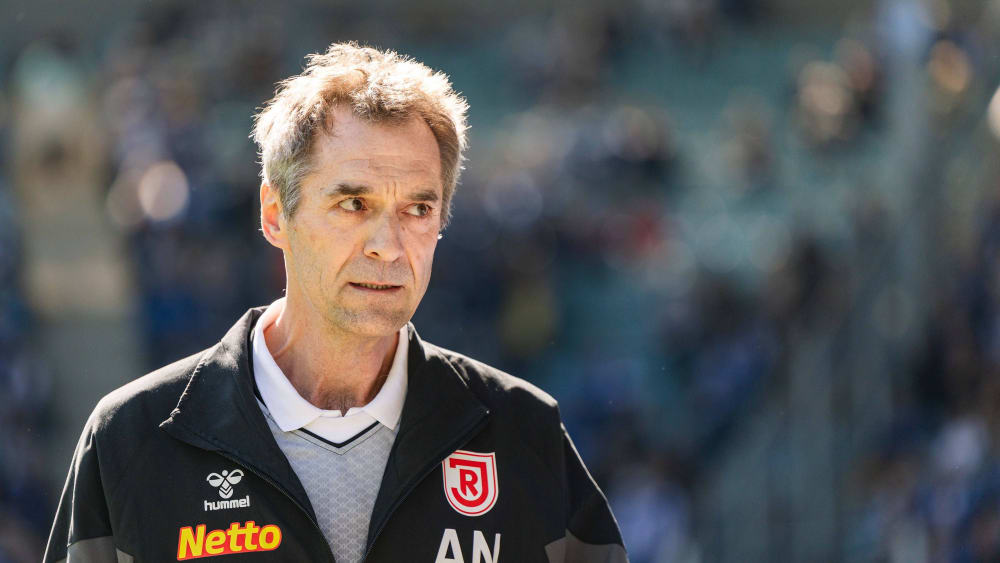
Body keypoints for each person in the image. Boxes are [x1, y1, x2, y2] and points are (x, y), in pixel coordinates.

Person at [44, 42, 626, 563]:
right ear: (275, 214)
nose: (388, 246)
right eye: (354, 205)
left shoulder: (525, 434)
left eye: (418, 209)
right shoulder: (132, 440)